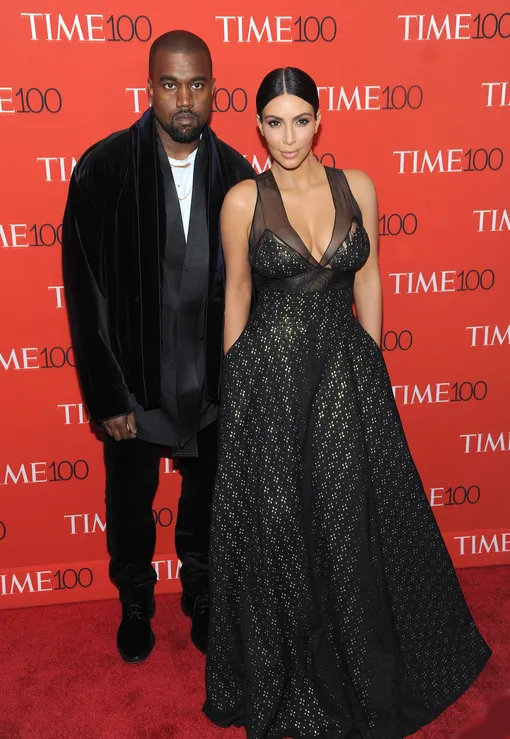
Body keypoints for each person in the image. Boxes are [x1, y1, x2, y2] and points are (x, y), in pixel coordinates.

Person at [204, 67, 491, 738]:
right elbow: (238, 294)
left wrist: (370, 359)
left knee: (345, 521)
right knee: (281, 526)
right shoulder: (244, 200)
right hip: (270, 381)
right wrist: (235, 395)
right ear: (258, 127)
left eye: (300, 119)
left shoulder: (356, 186)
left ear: (320, 119)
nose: (288, 135)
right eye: (274, 122)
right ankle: (288, 669)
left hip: (344, 377)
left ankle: (359, 664)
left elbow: (371, 272)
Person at [61, 30, 254, 664]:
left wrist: (246, 384)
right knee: (130, 504)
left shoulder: (237, 175)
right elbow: (85, 290)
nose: (184, 98)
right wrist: (107, 394)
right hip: (135, 379)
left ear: (213, 90)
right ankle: (136, 601)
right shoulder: (104, 166)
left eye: (197, 84)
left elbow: (256, 290)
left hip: (213, 380)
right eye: (170, 84)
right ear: (149, 87)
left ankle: (200, 593)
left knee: (205, 502)